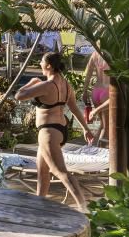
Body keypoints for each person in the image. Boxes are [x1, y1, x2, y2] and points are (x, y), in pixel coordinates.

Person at [18, 51, 89, 209]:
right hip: (60, 130)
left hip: (48, 132)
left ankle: (84, 208)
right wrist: (86, 129)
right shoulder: (66, 85)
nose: (40, 64)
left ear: (49, 66)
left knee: (60, 171)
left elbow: (19, 95)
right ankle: (39, 205)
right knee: (42, 172)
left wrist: (31, 82)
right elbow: (74, 108)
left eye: (42, 62)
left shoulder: (47, 85)